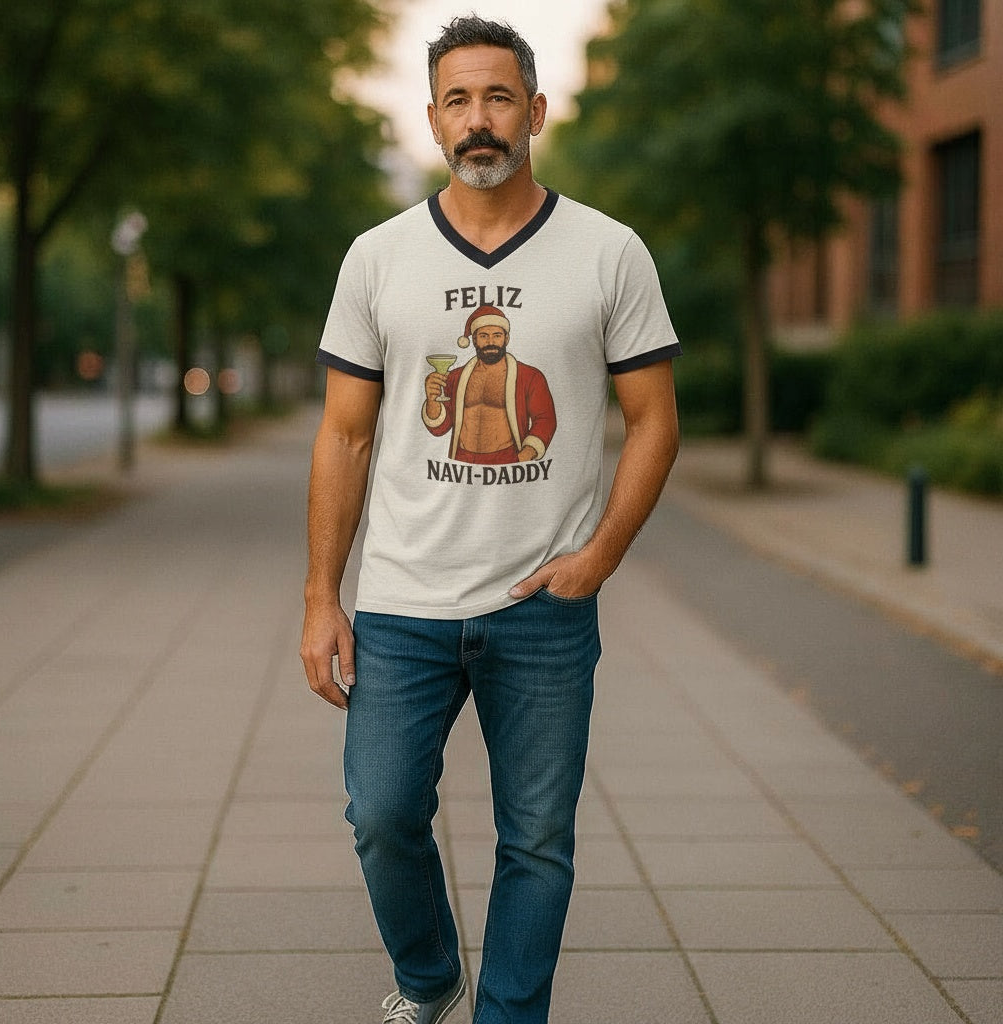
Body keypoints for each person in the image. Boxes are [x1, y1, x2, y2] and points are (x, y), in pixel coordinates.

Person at [301, 14, 680, 1024]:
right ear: (432, 120)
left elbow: (654, 422)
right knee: (381, 815)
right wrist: (319, 598)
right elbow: (343, 436)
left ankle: (509, 1016)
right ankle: (428, 976)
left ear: (537, 112)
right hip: (399, 602)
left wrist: (596, 557)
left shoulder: (607, 252)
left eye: (499, 96)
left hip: (542, 605)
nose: (480, 120)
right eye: (459, 100)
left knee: (536, 841)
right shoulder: (378, 258)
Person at [422, 304, 557, 464]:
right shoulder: (455, 377)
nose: (490, 342)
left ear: (507, 338)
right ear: (474, 340)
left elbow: (545, 419)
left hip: (510, 460)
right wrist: (432, 400)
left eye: (497, 335)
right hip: (462, 461)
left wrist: (524, 456)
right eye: (484, 336)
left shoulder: (530, 376)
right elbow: (440, 428)